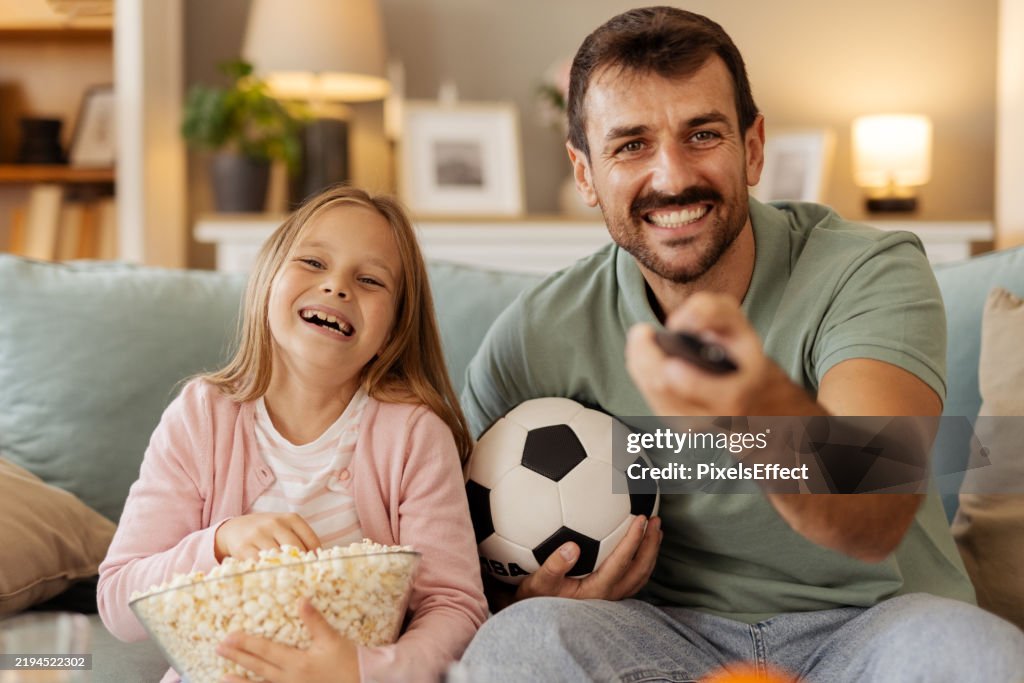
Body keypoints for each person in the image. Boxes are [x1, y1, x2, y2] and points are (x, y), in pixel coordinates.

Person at [458, 7, 1024, 681]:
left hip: (872, 626)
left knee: (977, 655)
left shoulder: (868, 271)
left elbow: (873, 515)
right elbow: (451, 554)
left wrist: (751, 404)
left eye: (701, 135)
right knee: (517, 643)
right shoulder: (537, 332)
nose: (671, 176)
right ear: (585, 173)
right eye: (630, 145)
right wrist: (519, 593)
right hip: (657, 634)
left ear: (753, 147)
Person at [97, 185, 487, 683]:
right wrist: (218, 542)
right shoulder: (201, 417)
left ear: (394, 327)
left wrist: (365, 671)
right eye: (313, 262)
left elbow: (454, 606)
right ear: (267, 278)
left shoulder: (413, 435)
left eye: (369, 279)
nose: (338, 288)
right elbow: (117, 601)